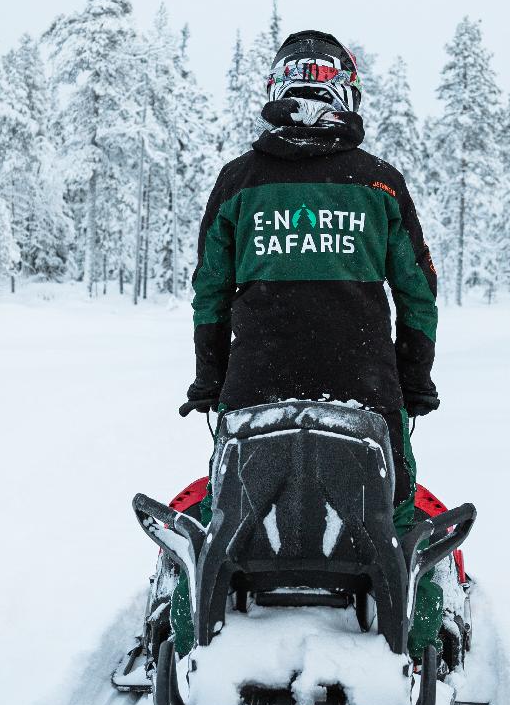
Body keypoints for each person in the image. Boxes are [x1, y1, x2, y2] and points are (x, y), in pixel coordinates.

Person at [183, 27, 439, 536]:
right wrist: (414, 380)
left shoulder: (238, 181)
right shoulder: (380, 182)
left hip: (256, 380)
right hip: (364, 382)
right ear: (345, 92)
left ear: (279, 89)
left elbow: (210, 292)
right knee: (399, 502)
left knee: (226, 501)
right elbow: (418, 291)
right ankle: (408, 584)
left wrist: (210, 378)